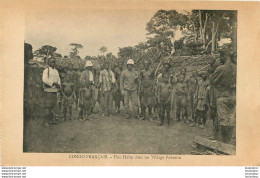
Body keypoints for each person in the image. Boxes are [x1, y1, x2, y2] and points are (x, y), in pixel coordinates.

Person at [209, 50, 236, 143]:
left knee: (223, 120)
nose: (220, 59)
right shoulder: (236, 68)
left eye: (220, 57)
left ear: (224, 56)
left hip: (223, 96)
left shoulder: (221, 68)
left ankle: (225, 142)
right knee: (231, 119)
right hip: (234, 96)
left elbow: (212, 80)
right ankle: (229, 140)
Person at [42, 58, 61, 127]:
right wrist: (53, 83)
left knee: (53, 106)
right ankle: (46, 122)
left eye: (54, 62)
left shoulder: (56, 71)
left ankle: (52, 120)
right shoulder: (46, 70)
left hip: (55, 91)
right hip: (48, 90)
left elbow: (59, 79)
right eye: (52, 62)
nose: (53, 63)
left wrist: (58, 85)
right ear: (49, 63)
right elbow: (44, 80)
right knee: (47, 106)